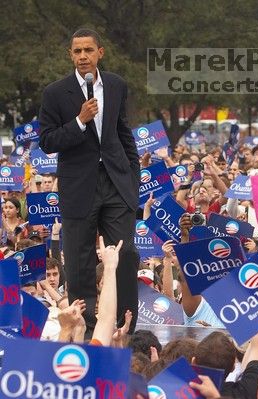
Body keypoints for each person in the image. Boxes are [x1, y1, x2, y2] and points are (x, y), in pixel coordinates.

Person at [38, 28, 140, 334]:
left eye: (88, 50)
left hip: (116, 181)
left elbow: (123, 132)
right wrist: (79, 121)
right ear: (70, 55)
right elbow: (47, 140)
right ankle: (88, 328)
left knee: (124, 254)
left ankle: (125, 326)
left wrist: (132, 178)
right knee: (80, 263)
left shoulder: (116, 85)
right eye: (77, 51)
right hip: (78, 186)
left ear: (100, 53)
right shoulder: (55, 93)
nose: (83, 56)